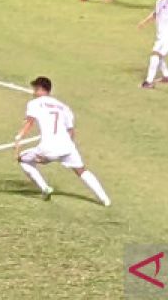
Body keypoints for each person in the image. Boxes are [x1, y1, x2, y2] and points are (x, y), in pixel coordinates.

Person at [12, 76, 111, 206]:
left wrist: (18, 137)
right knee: (82, 171)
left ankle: (45, 188)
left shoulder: (34, 104)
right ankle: (105, 199)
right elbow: (71, 131)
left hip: (47, 148)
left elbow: (30, 122)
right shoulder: (64, 107)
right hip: (68, 147)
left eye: (35, 89)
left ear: (40, 89)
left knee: (22, 159)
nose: (34, 93)